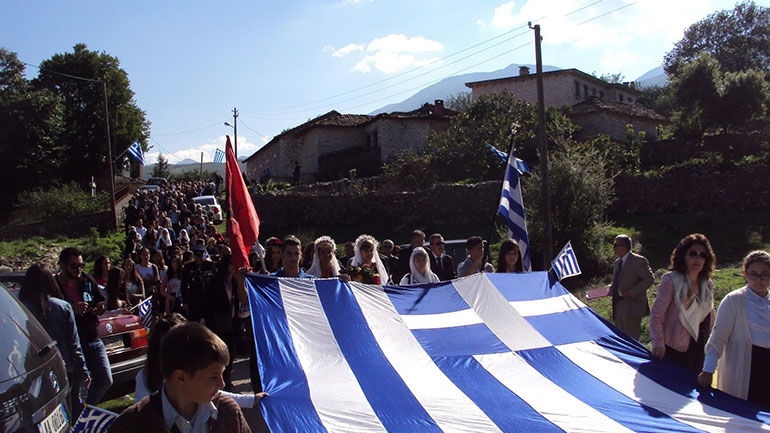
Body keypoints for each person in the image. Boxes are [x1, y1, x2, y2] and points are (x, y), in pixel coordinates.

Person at [107, 322, 253, 433]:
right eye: (214, 377)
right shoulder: (132, 425)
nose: (222, 384)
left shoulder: (227, 412)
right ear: (180, 377)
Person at [697, 250, 770, 406]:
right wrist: (708, 370)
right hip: (744, 368)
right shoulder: (734, 300)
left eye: (764, 274)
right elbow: (718, 338)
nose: (759, 280)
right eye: (753, 274)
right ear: (745, 274)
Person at [20, 264, 90, 416]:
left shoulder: (22, 309)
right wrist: (84, 372)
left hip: (33, 369)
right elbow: (74, 344)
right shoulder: (63, 307)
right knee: (66, 411)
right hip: (62, 366)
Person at [649, 233, 716, 373]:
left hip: (699, 349)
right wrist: (658, 343)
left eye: (702, 255)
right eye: (693, 254)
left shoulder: (707, 285)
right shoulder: (671, 280)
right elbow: (656, 316)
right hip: (672, 350)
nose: (698, 259)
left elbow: (711, 318)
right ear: (683, 255)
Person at [55, 247, 113, 405]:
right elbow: (50, 314)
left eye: (81, 265)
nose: (78, 269)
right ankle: (80, 417)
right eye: (74, 266)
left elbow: (100, 299)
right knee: (77, 388)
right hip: (72, 345)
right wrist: (71, 310)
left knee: (105, 380)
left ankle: (86, 410)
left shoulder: (87, 280)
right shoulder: (55, 286)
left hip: (93, 338)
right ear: (62, 265)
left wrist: (99, 308)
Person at [610, 235, 655, 341]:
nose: (614, 248)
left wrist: (631, 292)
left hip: (632, 308)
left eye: (616, 245)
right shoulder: (617, 262)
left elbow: (649, 279)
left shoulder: (638, 261)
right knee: (620, 341)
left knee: (631, 341)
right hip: (618, 308)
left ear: (624, 246)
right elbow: (618, 281)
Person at [206, 255, 240, 391]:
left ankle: (228, 377)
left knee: (231, 351)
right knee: (221, 352)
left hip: (233, 320)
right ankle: (222, 378)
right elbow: (209, 301)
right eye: (231, 264)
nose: (232, 267)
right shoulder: (216, 281)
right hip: (220, 321)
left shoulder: (236, 281)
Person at [180, 243, 216, 322]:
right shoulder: (188, 267)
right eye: (197, 257)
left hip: (209, 299)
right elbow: (184, 285)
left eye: (201, 256)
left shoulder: (211, 265)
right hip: (194, 300)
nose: (199, 259)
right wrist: (185, 301)